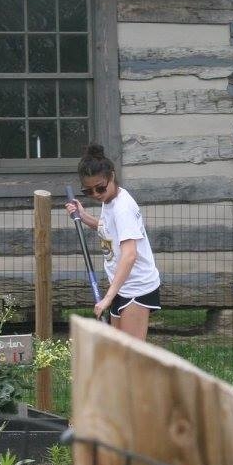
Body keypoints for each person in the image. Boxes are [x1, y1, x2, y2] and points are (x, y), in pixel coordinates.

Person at [63, 144, 162, 340]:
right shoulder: (109, 201)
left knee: (129, 357)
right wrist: (83, 216)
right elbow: (108, 228)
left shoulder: (122, 208)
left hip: (136, 288)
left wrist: (107, 297)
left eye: (100, 188)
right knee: (118, 352)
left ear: (112, 176)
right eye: (88, 191)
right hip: (122, 287)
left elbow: (130, 254)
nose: (96, 194)